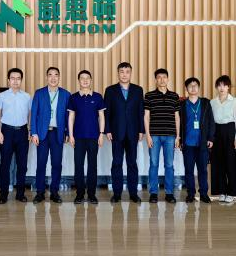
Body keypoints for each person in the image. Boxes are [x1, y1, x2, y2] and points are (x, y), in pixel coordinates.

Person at [103, 62, 145, 204]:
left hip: (133, 132)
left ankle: (133, 193)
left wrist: (141, 130)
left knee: (132, 163)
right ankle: (117, 193)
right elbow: (107, 112)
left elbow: (140, 111)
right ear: (118, 73)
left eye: (127, 72)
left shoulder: (138, 90)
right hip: (116, 132)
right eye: (122, 71)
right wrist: (107, 129)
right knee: (117, 163)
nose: (124, 74)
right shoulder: (110, 90)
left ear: (130, 73)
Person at [31, 67, 71, 204]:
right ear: (46, 77)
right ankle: (40, 192)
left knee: (57, 164)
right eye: (50, 75)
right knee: (41, 163)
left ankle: (54, 192)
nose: (53, 78)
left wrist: (67, 132)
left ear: (59, 77)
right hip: (42, 133)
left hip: (57, 133)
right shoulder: (39, 93)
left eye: (56, 75)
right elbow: (34, 114)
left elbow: (68, 116)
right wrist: (34, 132)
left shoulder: (66, 94)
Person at [68, 70, 106, 205]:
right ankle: (79, 194)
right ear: (79, 81)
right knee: (78, 166)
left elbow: (101, 116)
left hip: (94, 137)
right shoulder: (73, 97)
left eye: (87, 78)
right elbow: (71, 117)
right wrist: (70, 135)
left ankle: (91, 194)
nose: (85, 80)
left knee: (92, 166)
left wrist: (101, 134)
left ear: (91, 80)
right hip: (78, 137)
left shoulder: (97, 97)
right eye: (82, 78)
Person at [0, 68, 32, 204]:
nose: (15, 81)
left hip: (22, 132)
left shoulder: (27, 96)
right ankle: (3, 194)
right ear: (8, 80)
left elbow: (30, 114)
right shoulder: (2, 96)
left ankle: (20, 194)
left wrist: (29, 130)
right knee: (5, 164)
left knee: (22, 165)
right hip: (7, 132)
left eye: (18, 78)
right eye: (13, 78)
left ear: (21, 80)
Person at [144, 68, 180, 204]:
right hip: (154, 135)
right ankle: (153, 193)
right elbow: (146, 117)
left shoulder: (174, 96)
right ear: (155, 80)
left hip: (170, 136)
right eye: (159, 77)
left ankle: (169, 193)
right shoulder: (149, 95)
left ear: (168, 79)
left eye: (164, 77)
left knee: (169, 165)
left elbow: (177, 117)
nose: (162, 79)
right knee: (153, 164)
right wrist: (148, 135)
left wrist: (178, 136)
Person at [179, 77, 215, 203]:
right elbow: (179, 123)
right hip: (187, 143)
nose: (193, 88)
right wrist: (180, 139)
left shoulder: (205, 103)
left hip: (202, 142)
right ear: (186, 89)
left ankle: (204, 193)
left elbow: (211, 121)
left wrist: (210, 138)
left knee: (203, 170)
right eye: (190, 86)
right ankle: (190, 194)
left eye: (195, 86)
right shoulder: (182, 105)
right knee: (188, 170)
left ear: (198, 88)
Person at [210, 75, 236, 203]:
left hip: (230, 131)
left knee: (232, 163)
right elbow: (211, 121)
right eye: (219, 85)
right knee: (218, 163)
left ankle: (232, 192)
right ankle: (222, 191)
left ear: (228, 87)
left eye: (224, 85)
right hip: (217, 132)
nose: (222, 88)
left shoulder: (234, 101)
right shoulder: (213, 102)